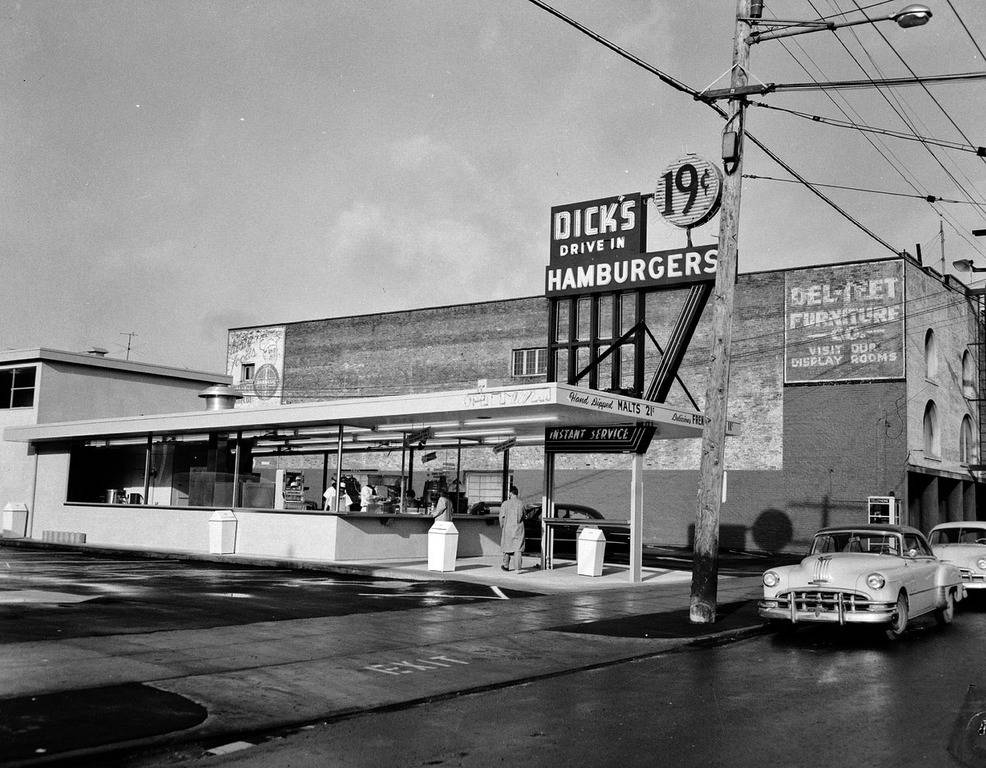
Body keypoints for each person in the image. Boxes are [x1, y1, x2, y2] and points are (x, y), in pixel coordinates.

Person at [499, 485, 525, 571]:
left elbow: (501, 517)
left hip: (508, 528)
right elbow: (524, 515)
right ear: (517, 493)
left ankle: (506, 565)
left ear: (510, 493)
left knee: (507, 547)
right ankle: (518, 568)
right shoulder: (521, 503)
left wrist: (502, 526)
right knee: (518, 548)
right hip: (518, 528)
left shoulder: (505, 504)